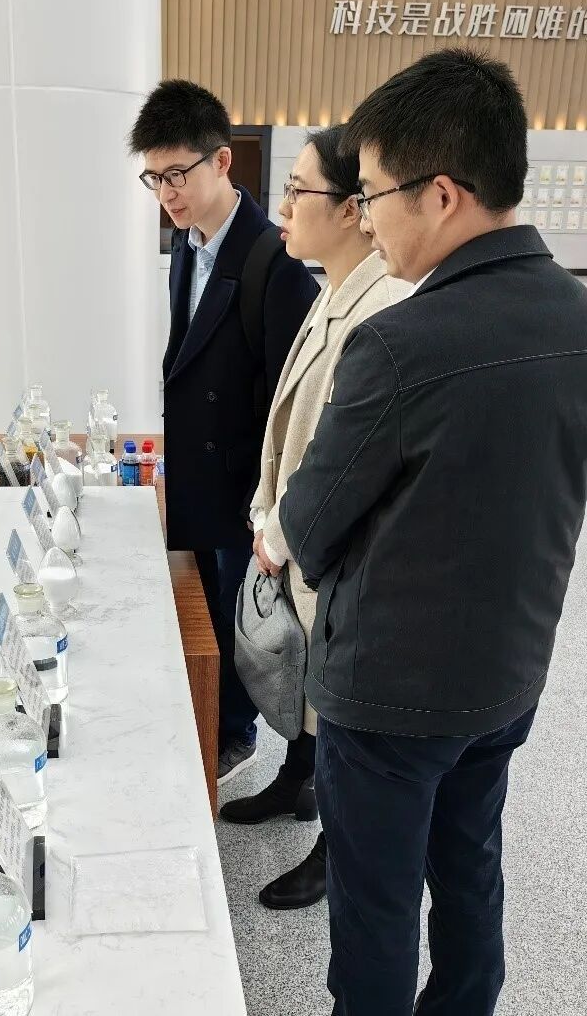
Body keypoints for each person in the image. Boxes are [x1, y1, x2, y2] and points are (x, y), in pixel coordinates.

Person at [279, 49, 587, 1016]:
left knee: (376, 911)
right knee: (470, 874)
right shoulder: (581, 317)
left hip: (387, 696)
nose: (366, 217)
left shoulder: (401, 341)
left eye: (373, 193)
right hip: (506, 675)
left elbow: (308, 523)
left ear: (440, 194)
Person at [219, 125, 408, 911]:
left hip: (331, 552)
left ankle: (336, 848)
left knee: (332, 702)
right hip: (296, 536)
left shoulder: (382, 307)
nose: (284, 206)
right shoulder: (333, 286)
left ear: (357, 208)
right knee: (304, 687)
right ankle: (297, 781)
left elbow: (342, 460)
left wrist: (280, 531)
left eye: (300, 191)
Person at [129, 80, 318, 784]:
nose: (167, 193)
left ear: (222, 162)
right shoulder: (187, 244)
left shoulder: (275, 259)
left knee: (253, 621)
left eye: (178, 174)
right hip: (202, 473)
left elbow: (295, 402)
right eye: (155, 177)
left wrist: (271, 508)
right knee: (210, 608)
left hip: (248, 486)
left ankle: (254, 745)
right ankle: (219, 722)